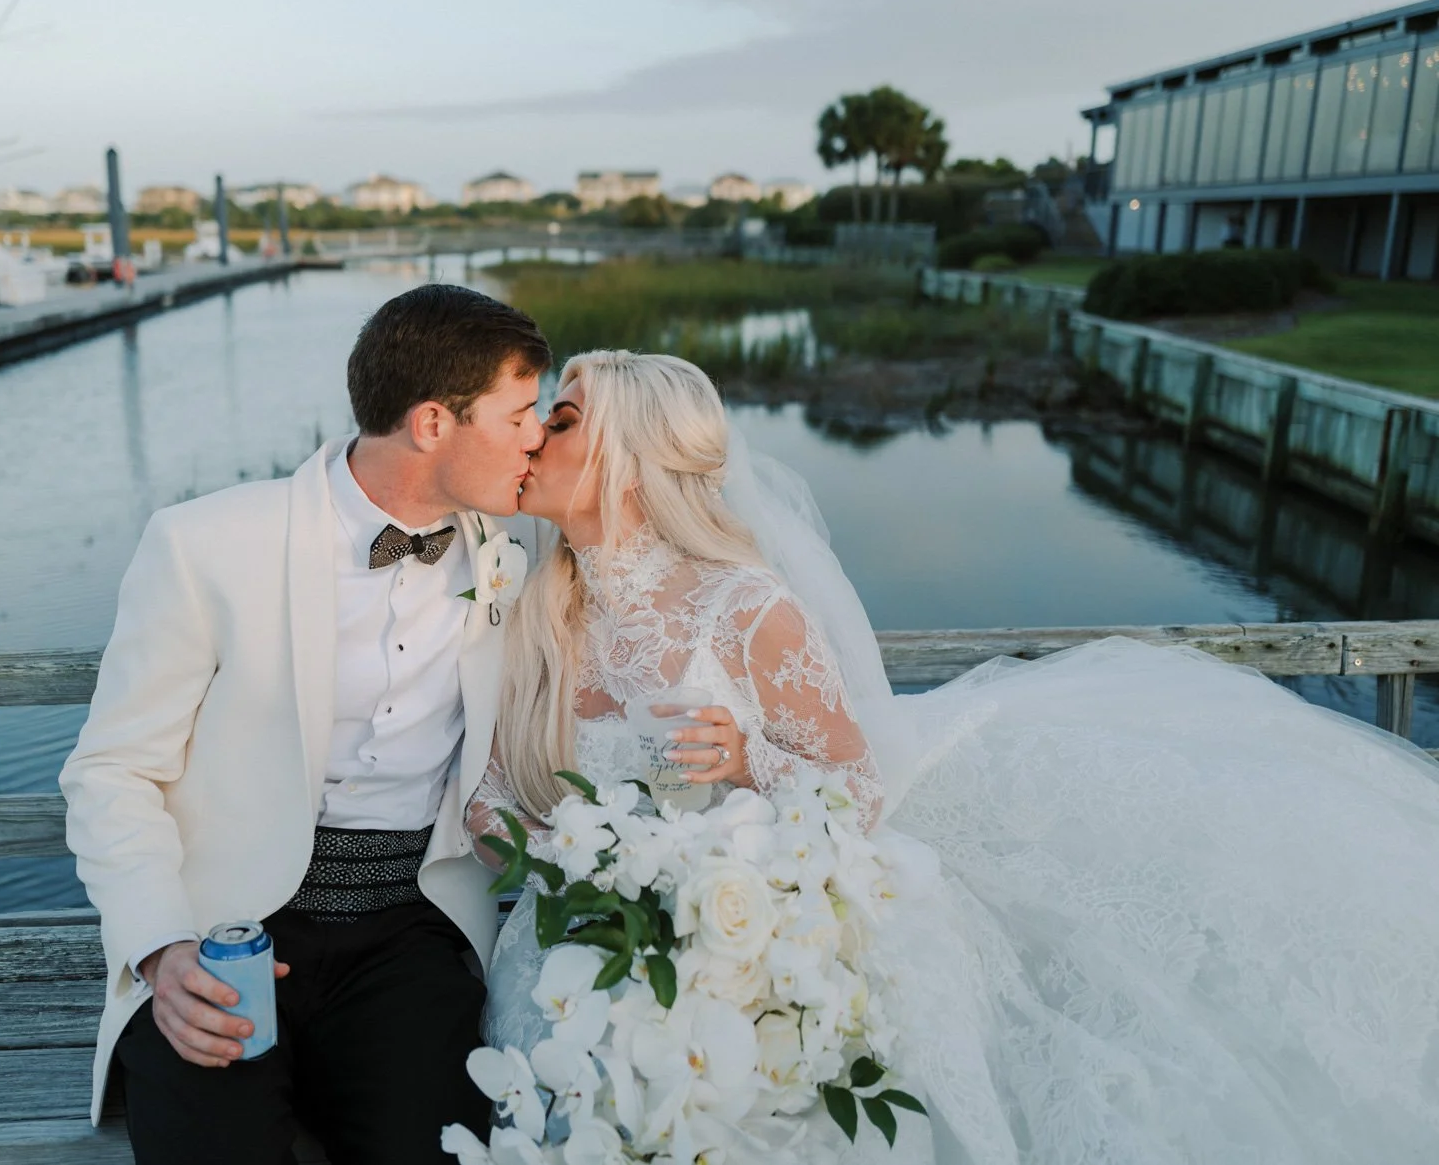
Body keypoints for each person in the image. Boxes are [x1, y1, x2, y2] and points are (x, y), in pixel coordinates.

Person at [467, 349, 1439, 1163]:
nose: (532, 434)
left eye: (561, 415)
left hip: (747, 931)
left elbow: (857, 790)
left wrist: (750, 760)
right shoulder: (534, 614)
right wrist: (530, 838)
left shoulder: (743, 608)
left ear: (629, 457)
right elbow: (496, 802)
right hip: (579, 937)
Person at [60, 283, 550, 1164]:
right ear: (433, 424)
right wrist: (161, 948)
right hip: (227, 930)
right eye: (519, 414)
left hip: (413, 929)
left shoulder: (522, 554)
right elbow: (111, 773)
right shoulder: (204, 544)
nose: (537, 436)